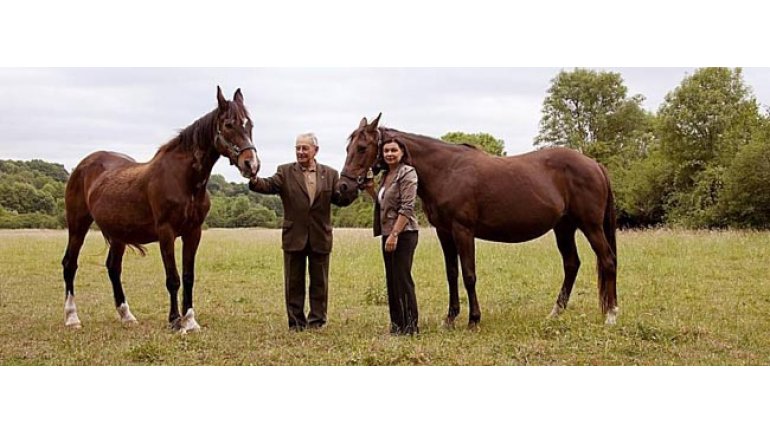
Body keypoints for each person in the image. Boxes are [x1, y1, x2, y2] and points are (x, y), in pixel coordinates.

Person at [249, 132, 352, 331]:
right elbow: (267, 185)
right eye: (298, 148)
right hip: (294, 236)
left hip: (320, 235)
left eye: (305, 148)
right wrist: (253, 177)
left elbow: (341, 200)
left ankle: (317, 321)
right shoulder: (285, 172)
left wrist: (356, 189)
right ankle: (296, 323)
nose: (301, 152)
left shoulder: (331, 174)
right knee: (293, 282)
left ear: (315, 150)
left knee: (320, 282)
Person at [363, 137, 420, 335]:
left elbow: (407, 207)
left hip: (404, 233)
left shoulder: (407, 173)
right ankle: (397, 325)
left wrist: (395, 234)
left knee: (402, 278)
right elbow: (383, 203)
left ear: (402, 152)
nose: (389, 154)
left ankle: (410, 326)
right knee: (392, 279)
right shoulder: (386, 175)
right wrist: (371, 190)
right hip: (387, 233)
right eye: (386, 151)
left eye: (393, 150)